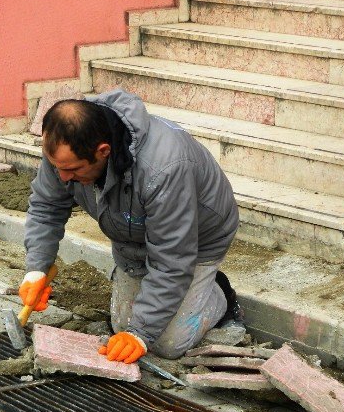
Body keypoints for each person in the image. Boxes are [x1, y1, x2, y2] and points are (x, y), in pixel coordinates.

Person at [19, 90, 243, 364]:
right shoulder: (65, 149)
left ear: (103, 151)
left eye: (73, 170)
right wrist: (36, 269)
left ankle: (219, 294)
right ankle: (166, 300)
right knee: (121, 326)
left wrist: (140, 333)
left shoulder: (163, 169)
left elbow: (172, 258)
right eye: (58, 167)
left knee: (166, 344)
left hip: (198, 240)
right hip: (133, 234)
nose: (63, 177)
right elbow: (46, 208)